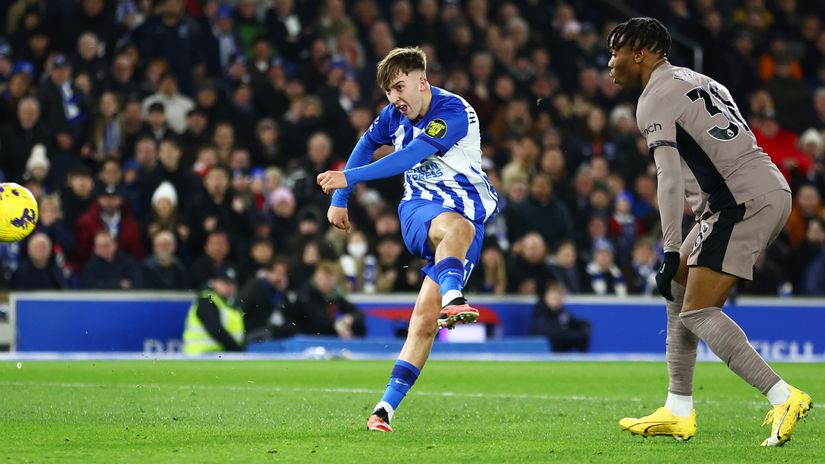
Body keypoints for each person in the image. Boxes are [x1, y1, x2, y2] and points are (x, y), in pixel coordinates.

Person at [607, 17, 811, 446]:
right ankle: (678, 408)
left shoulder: (654, 97)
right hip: (755, 192)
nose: (610, 62)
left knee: (698, 310)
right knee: (679, 289)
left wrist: (668, 246)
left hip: (740, 201)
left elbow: (668, 177)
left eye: (615, 51)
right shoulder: (703, 79)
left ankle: (783, 395)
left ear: (640, 52)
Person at [315, 46, 498, 432]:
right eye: (388, 92)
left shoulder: (452, 113)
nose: (395, 99)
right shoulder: (392, 116)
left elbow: (410, 155)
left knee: (424, 323)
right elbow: (366, 145)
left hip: (466, 220)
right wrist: (341, 197)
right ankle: (456, 297)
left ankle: (384, 409)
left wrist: (347, 180)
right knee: (454, 226)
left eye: (400, 88)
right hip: (420, 210)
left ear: (422, 81)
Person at [182, 265, 245, 354]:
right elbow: (215, 329)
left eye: (232, 283)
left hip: (221, 355)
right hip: (200, 354)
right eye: (225, 282)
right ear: (214, 282)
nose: (229, 286)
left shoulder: (231, 304)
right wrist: (238, 350)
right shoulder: (208, 299)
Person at [530, 283, 590, 353]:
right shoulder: (540, 310)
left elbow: (574, 322)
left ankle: (582, 359)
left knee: (583, 335)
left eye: (559, 298)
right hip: (545, 345)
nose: (557, 301)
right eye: (554, 298)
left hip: (561, 343)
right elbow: (551, 332)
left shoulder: (562, 311)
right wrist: (574, 334)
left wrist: (585, 328)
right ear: (546, 297)